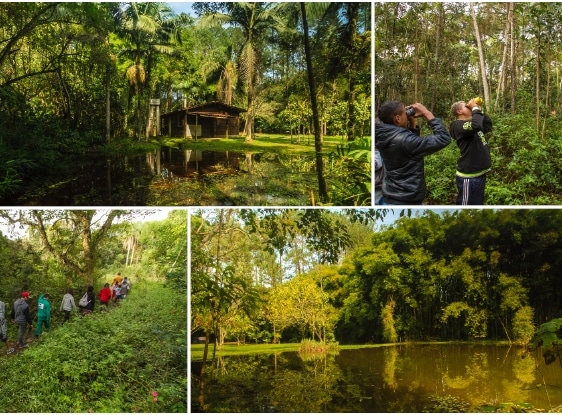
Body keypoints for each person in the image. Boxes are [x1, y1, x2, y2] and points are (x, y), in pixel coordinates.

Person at [376, 101, 451, 205]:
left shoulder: (383, 135)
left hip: (391, 194)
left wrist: (412, 123)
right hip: (406, 199)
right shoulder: (405, 141)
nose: (407, 114)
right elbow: (443, 139)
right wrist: (427, 112)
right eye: (404, 113)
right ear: (397, 118)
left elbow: (407, 148)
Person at [449, 98, 493, 205]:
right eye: (466, 106)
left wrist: (479, 110)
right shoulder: (457, 126)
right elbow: (476, 125)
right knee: (465, 209)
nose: (469, 107)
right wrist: (474, 109)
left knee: (477, 206)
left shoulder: (471, 124)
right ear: (459, 111)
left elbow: (487, 126)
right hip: (468, 177)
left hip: (479, 174)